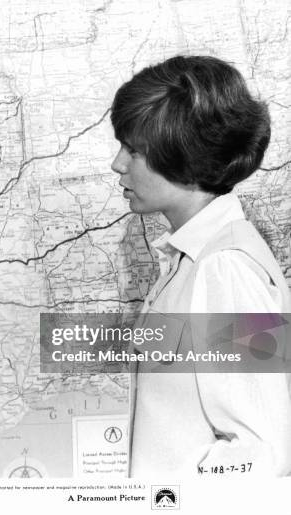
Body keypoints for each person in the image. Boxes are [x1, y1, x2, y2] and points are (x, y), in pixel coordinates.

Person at [110, 55, 291, 476]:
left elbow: (261, 451)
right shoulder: (190, 259)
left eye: (133, 150)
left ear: (185, 162)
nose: (117, 164)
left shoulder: (225, 268)